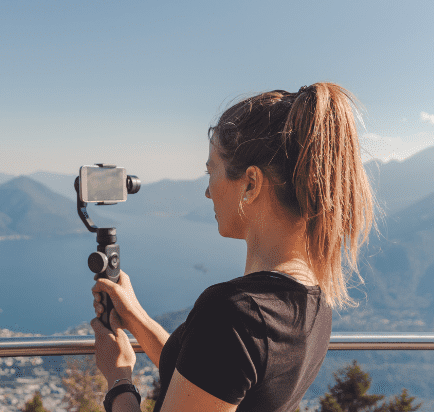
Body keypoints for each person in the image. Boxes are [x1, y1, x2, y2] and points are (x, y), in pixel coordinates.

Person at [91, 83, 376, 412]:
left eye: (211, 171)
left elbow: (223, 353)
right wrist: (136, 316)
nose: (208, 192)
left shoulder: (233, 313)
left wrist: (118, 378)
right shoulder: (313, 297)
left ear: (251, 184)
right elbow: (215, 376)